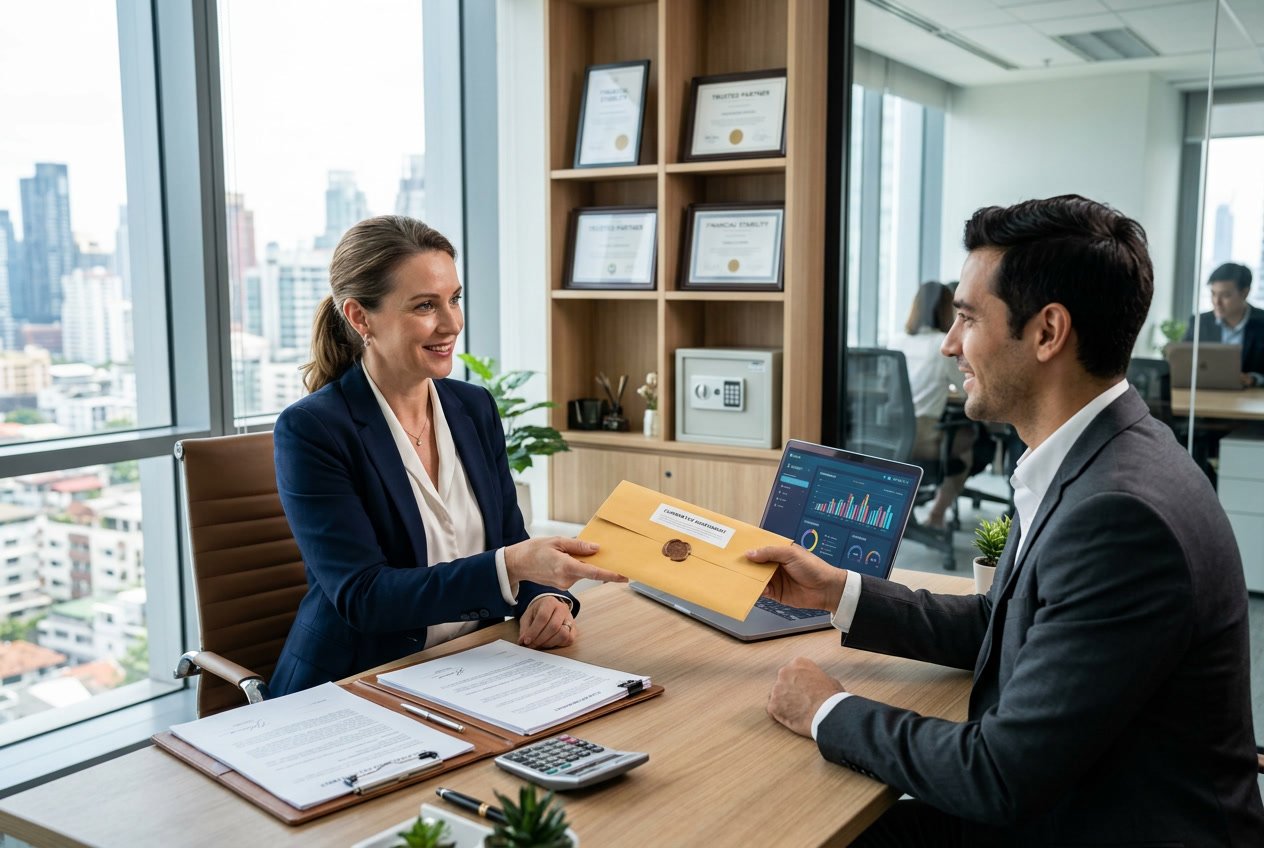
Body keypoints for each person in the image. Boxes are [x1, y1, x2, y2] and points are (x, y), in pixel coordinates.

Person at [748, 196, 1264, 845]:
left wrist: (826, 709)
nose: (949, 343)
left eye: (967, 318)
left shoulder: (1118, 515)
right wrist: (838, 591)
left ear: (1048, 332)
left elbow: (997, 774)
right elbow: (1006, 619)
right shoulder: (1096, 456)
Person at [270, 216, 626, 696]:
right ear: (360, 318)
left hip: (471, 667)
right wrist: (513, 568)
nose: (452, 322)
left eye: (454, 299)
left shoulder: (472, 407)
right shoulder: (313, 429)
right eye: (425, 306)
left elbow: (510, 541)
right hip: (355, 683)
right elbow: (364, 597)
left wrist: (545, 600)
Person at [889, 281, 976, 528]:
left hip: (892, 432)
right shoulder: (942, 344)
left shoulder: (897, 340)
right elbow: (965, 389)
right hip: (923, 436)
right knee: (965, 448)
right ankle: (936, 517)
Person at [1183, 262, 1264, 386]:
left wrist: (1254, 379)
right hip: (1207, 394)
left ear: (1245, 293)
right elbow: (1182, 363)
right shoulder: (1200, 322)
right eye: (1213, 293)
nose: (1216, 302)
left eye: (1225, 295)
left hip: (1250, 400)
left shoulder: (1261, 322)